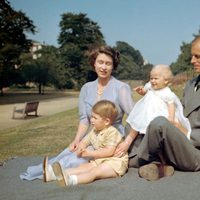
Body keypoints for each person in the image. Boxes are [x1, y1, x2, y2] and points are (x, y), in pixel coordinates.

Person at [20, 45, 134, 181]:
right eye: (100, 62)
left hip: (111, 140)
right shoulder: (86, 88)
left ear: (113, 66)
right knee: (71, 152)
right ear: (94, 63)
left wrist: (127, 142)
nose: (103, 67)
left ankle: (54, 173)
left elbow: (135, 118)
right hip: (93, 136)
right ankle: (51, 170)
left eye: (108, 63)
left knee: (78, 159)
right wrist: (77, 139)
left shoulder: (121, 88)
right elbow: (84, 119)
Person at [124, 36, 200, 181]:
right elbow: (181, 111)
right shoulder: (191, 84)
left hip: (195, 152)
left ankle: (136, 160)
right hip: (178, 140)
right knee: (135, 120)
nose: (192, 61)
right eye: (192, 56)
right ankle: (159, 166)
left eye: (198, 56)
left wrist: (187, 132)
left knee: (159, 123)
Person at [45, 100, 128, 186]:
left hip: (115, 163)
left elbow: (109, 151)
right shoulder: (94, 131)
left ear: (106, 121)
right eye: (91, 116)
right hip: (100, 160)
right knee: (82, 168)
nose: (91, 120)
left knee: (94, 172)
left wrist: (90, 153)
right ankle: (54, 175)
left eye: (95, 118)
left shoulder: (112, 132)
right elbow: (85, 141)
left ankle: (71, 180)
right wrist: (81, 148)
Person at [126, 64, 191, 144]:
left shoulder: (167, 93)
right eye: (151, 78)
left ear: (166, 81)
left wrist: (170, 117)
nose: (152, 81)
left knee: (168, 127)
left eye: (156, 78)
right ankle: (138, 139)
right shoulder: (150, 86)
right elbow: (145, 92)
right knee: (141, 122)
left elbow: (171, 105)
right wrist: (141, 91)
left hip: (162, 113)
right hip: (149, 111)